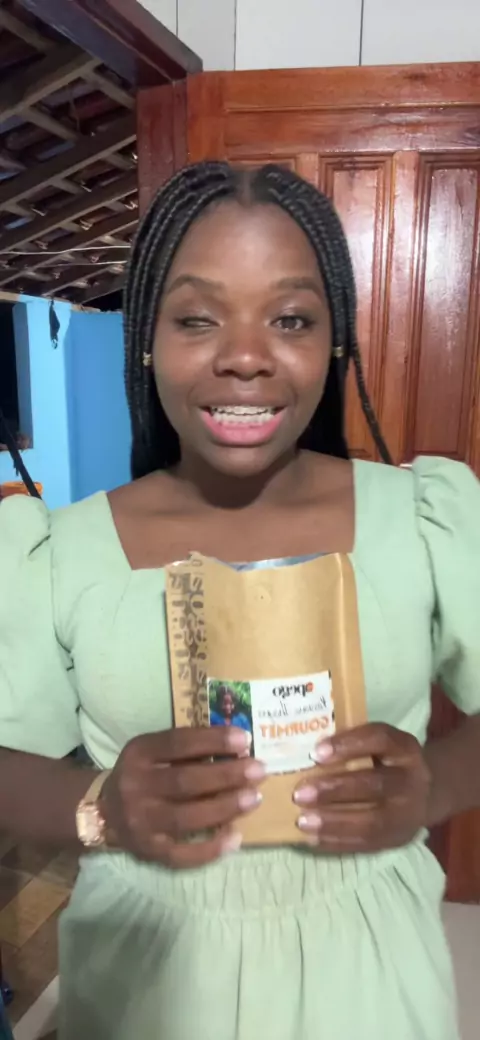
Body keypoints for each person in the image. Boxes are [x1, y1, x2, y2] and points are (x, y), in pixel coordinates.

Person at [0, 162, 479, 1040]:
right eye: (197, 318)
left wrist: (436, 785)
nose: (246, 356)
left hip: (369, 971)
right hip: (148, 977)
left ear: (336, 341)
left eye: (290, 318)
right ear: (147, 339)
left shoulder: (423, 519)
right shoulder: (60, 553)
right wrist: (99, 806)